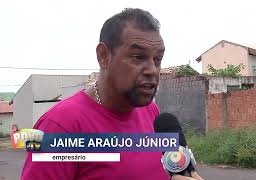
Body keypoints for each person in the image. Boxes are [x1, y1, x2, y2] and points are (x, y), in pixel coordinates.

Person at [21, 8, 203, 180]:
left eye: (157, 59)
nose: (152, 70)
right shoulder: (59, 127)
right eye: (138, 57)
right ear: (103, 56)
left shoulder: (152, 112)